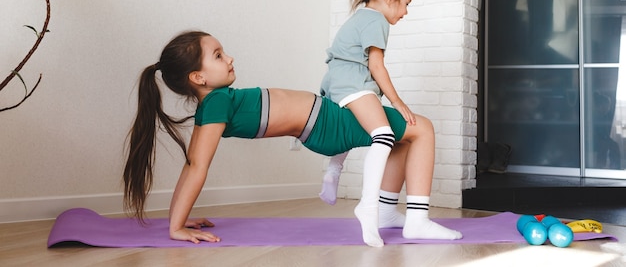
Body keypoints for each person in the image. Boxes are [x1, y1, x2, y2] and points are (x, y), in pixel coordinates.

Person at [123, 31, 462, 246]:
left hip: (326, 120)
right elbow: (197, 166)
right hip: (329, 124)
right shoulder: (217, 103)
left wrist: (177, 220)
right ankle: (417, 219)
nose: (229, 58)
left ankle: (387, 213)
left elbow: (191, 164)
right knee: (422, 127)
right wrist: (176, 229)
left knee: (401, 137)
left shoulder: (212, 105)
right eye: (218, 55)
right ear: (198, 77)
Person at [318, 0, 425, 246]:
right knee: (384, 135)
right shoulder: (376, 20)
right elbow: (376, 66)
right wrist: (398, 103)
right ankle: (369, 207)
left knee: (349, 131)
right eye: (405, 3)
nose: (405, 12)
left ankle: (333, 169)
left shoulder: (360, 16)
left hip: (335, 81)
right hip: (353, 82)